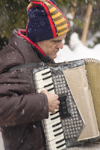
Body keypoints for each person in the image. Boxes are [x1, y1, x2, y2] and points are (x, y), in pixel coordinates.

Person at [0, 0, 70, 150]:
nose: (61, 46)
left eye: (62, 40)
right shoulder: (15, 60)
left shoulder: (39, 55)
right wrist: (42, 103)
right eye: (56, 41)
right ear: (39, 38)